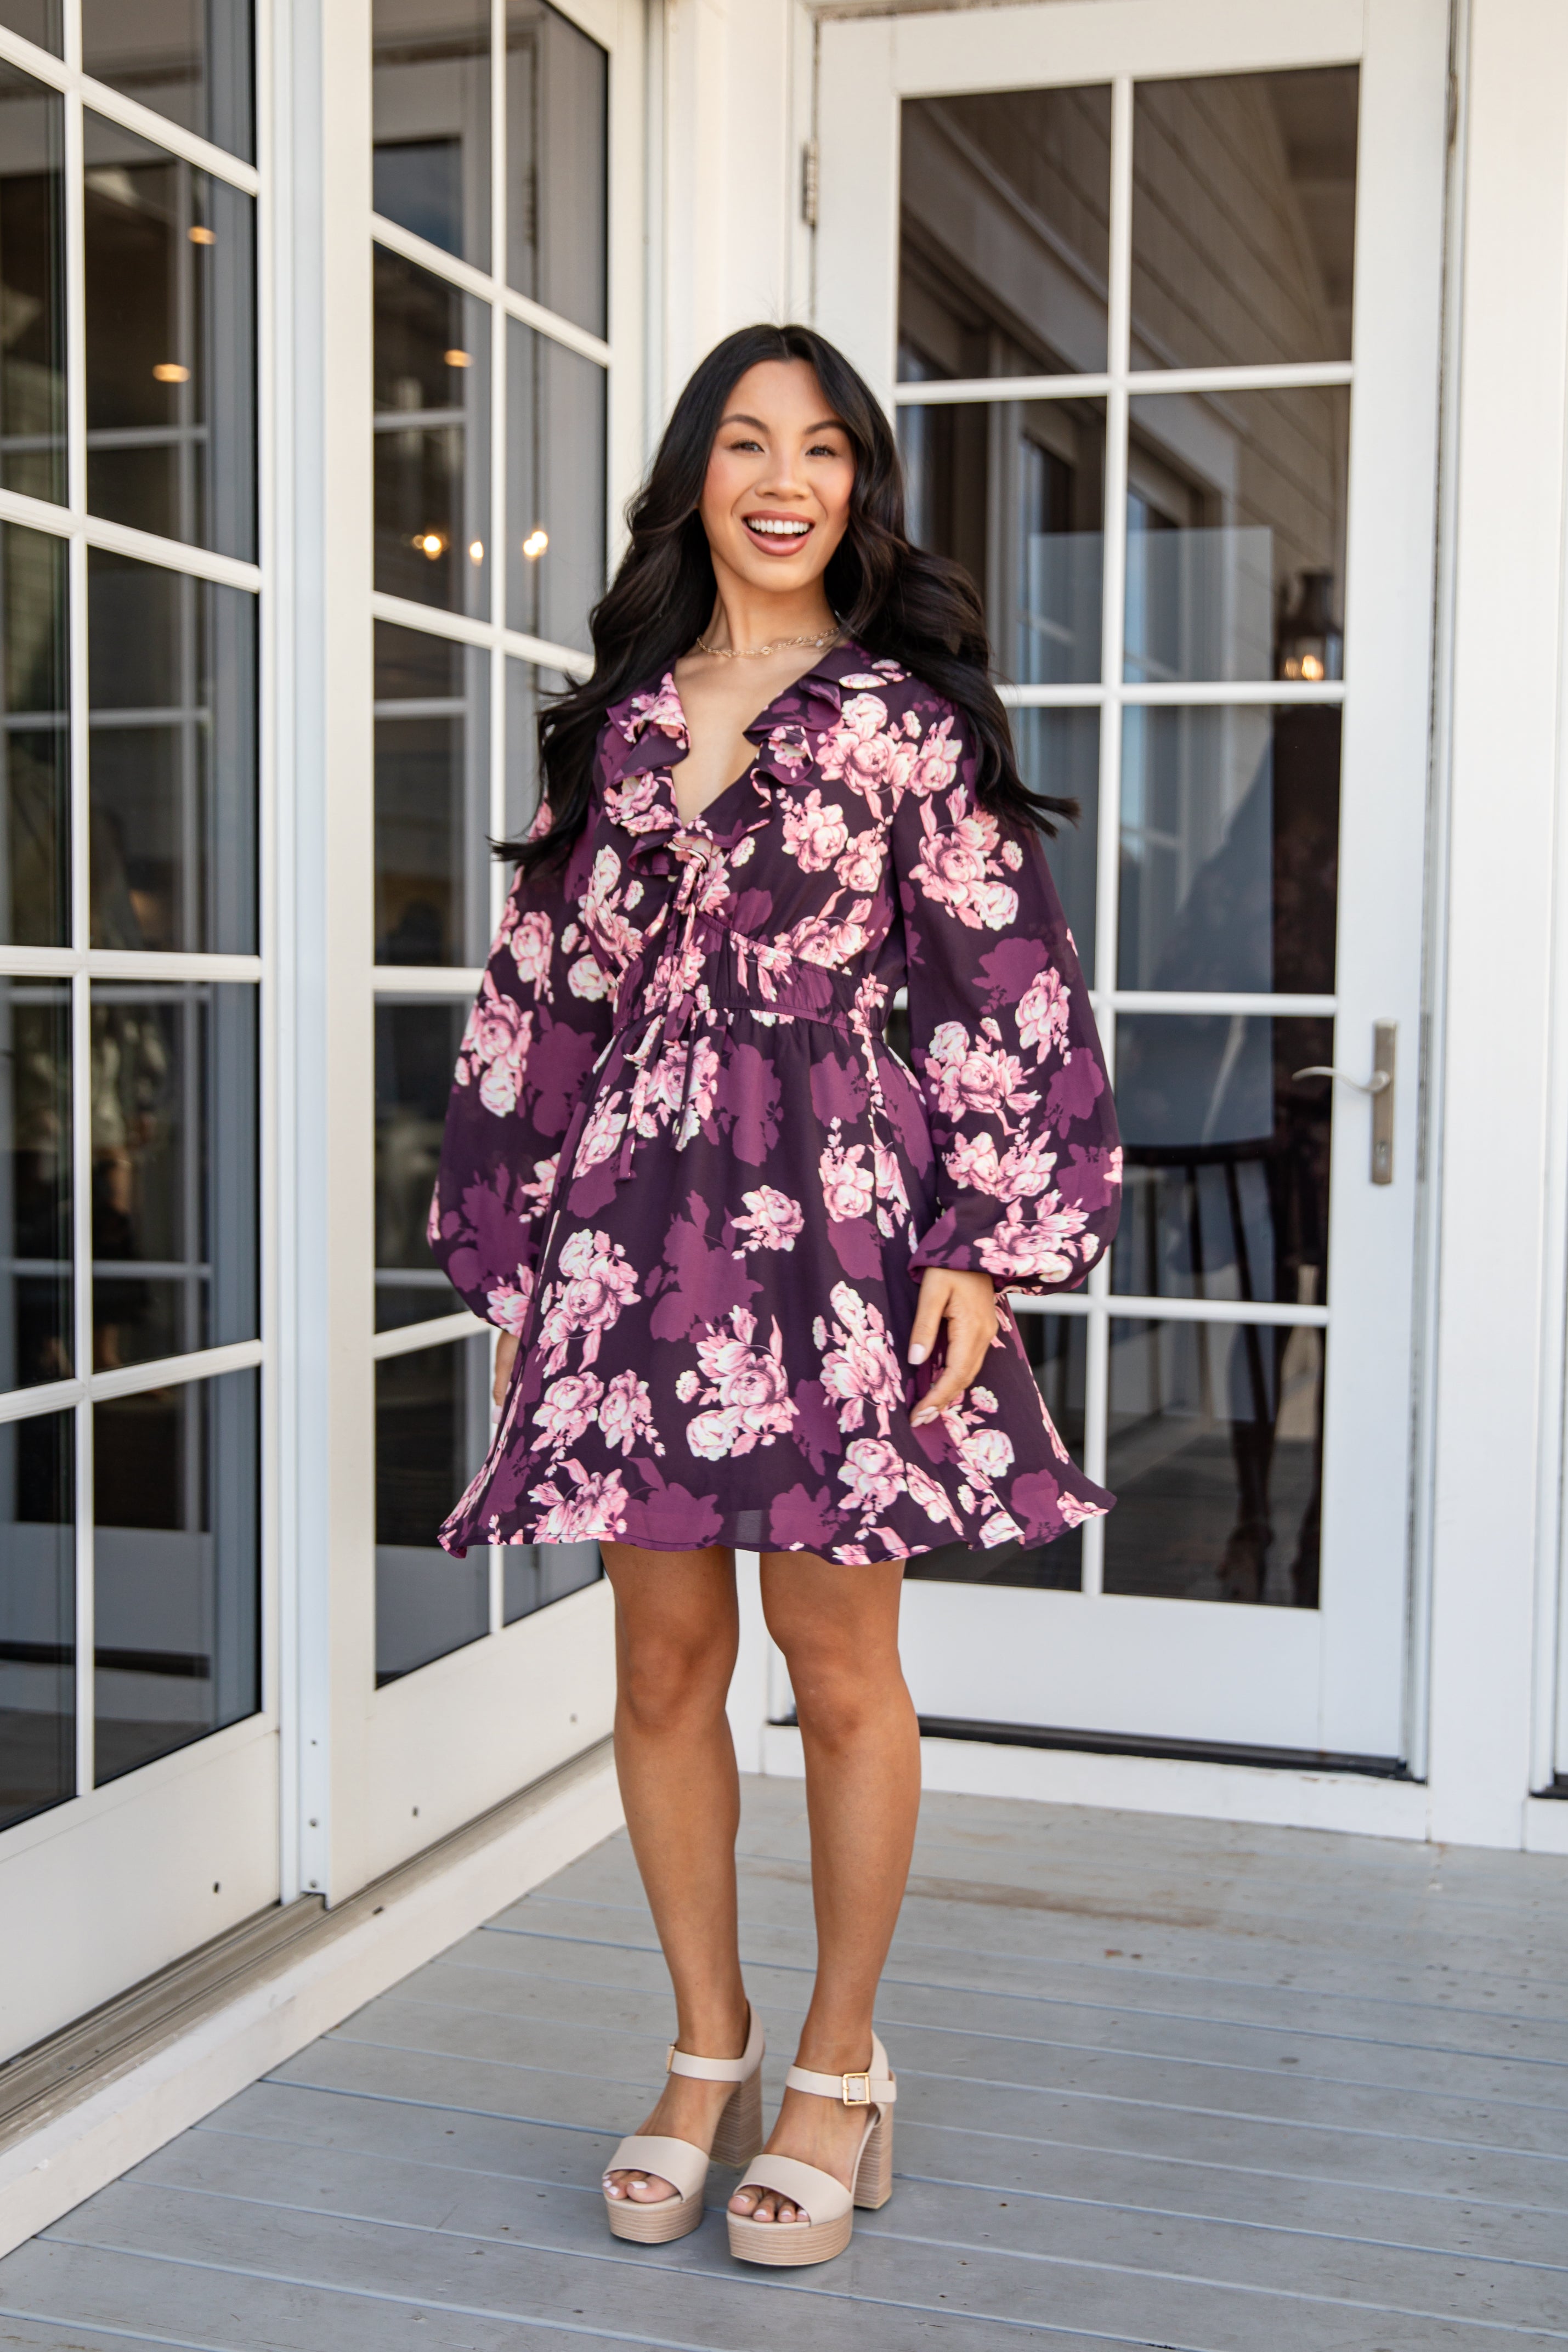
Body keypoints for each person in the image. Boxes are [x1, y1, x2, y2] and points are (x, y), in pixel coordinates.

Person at [429, 322, 1120, 2267]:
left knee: (835, 1670)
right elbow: (540, 997)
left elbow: (1011, 978)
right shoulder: (620, 717)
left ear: (856, 488)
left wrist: (985, 1234)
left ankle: (837, 2065)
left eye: (819, 446)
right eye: (745, 441)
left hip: (845, 1218)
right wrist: (510, 1252)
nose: (782, 476)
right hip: (631, 1221)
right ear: (698, 479)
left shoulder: (908, 717)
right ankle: (701, 2047)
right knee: (658, 1665)